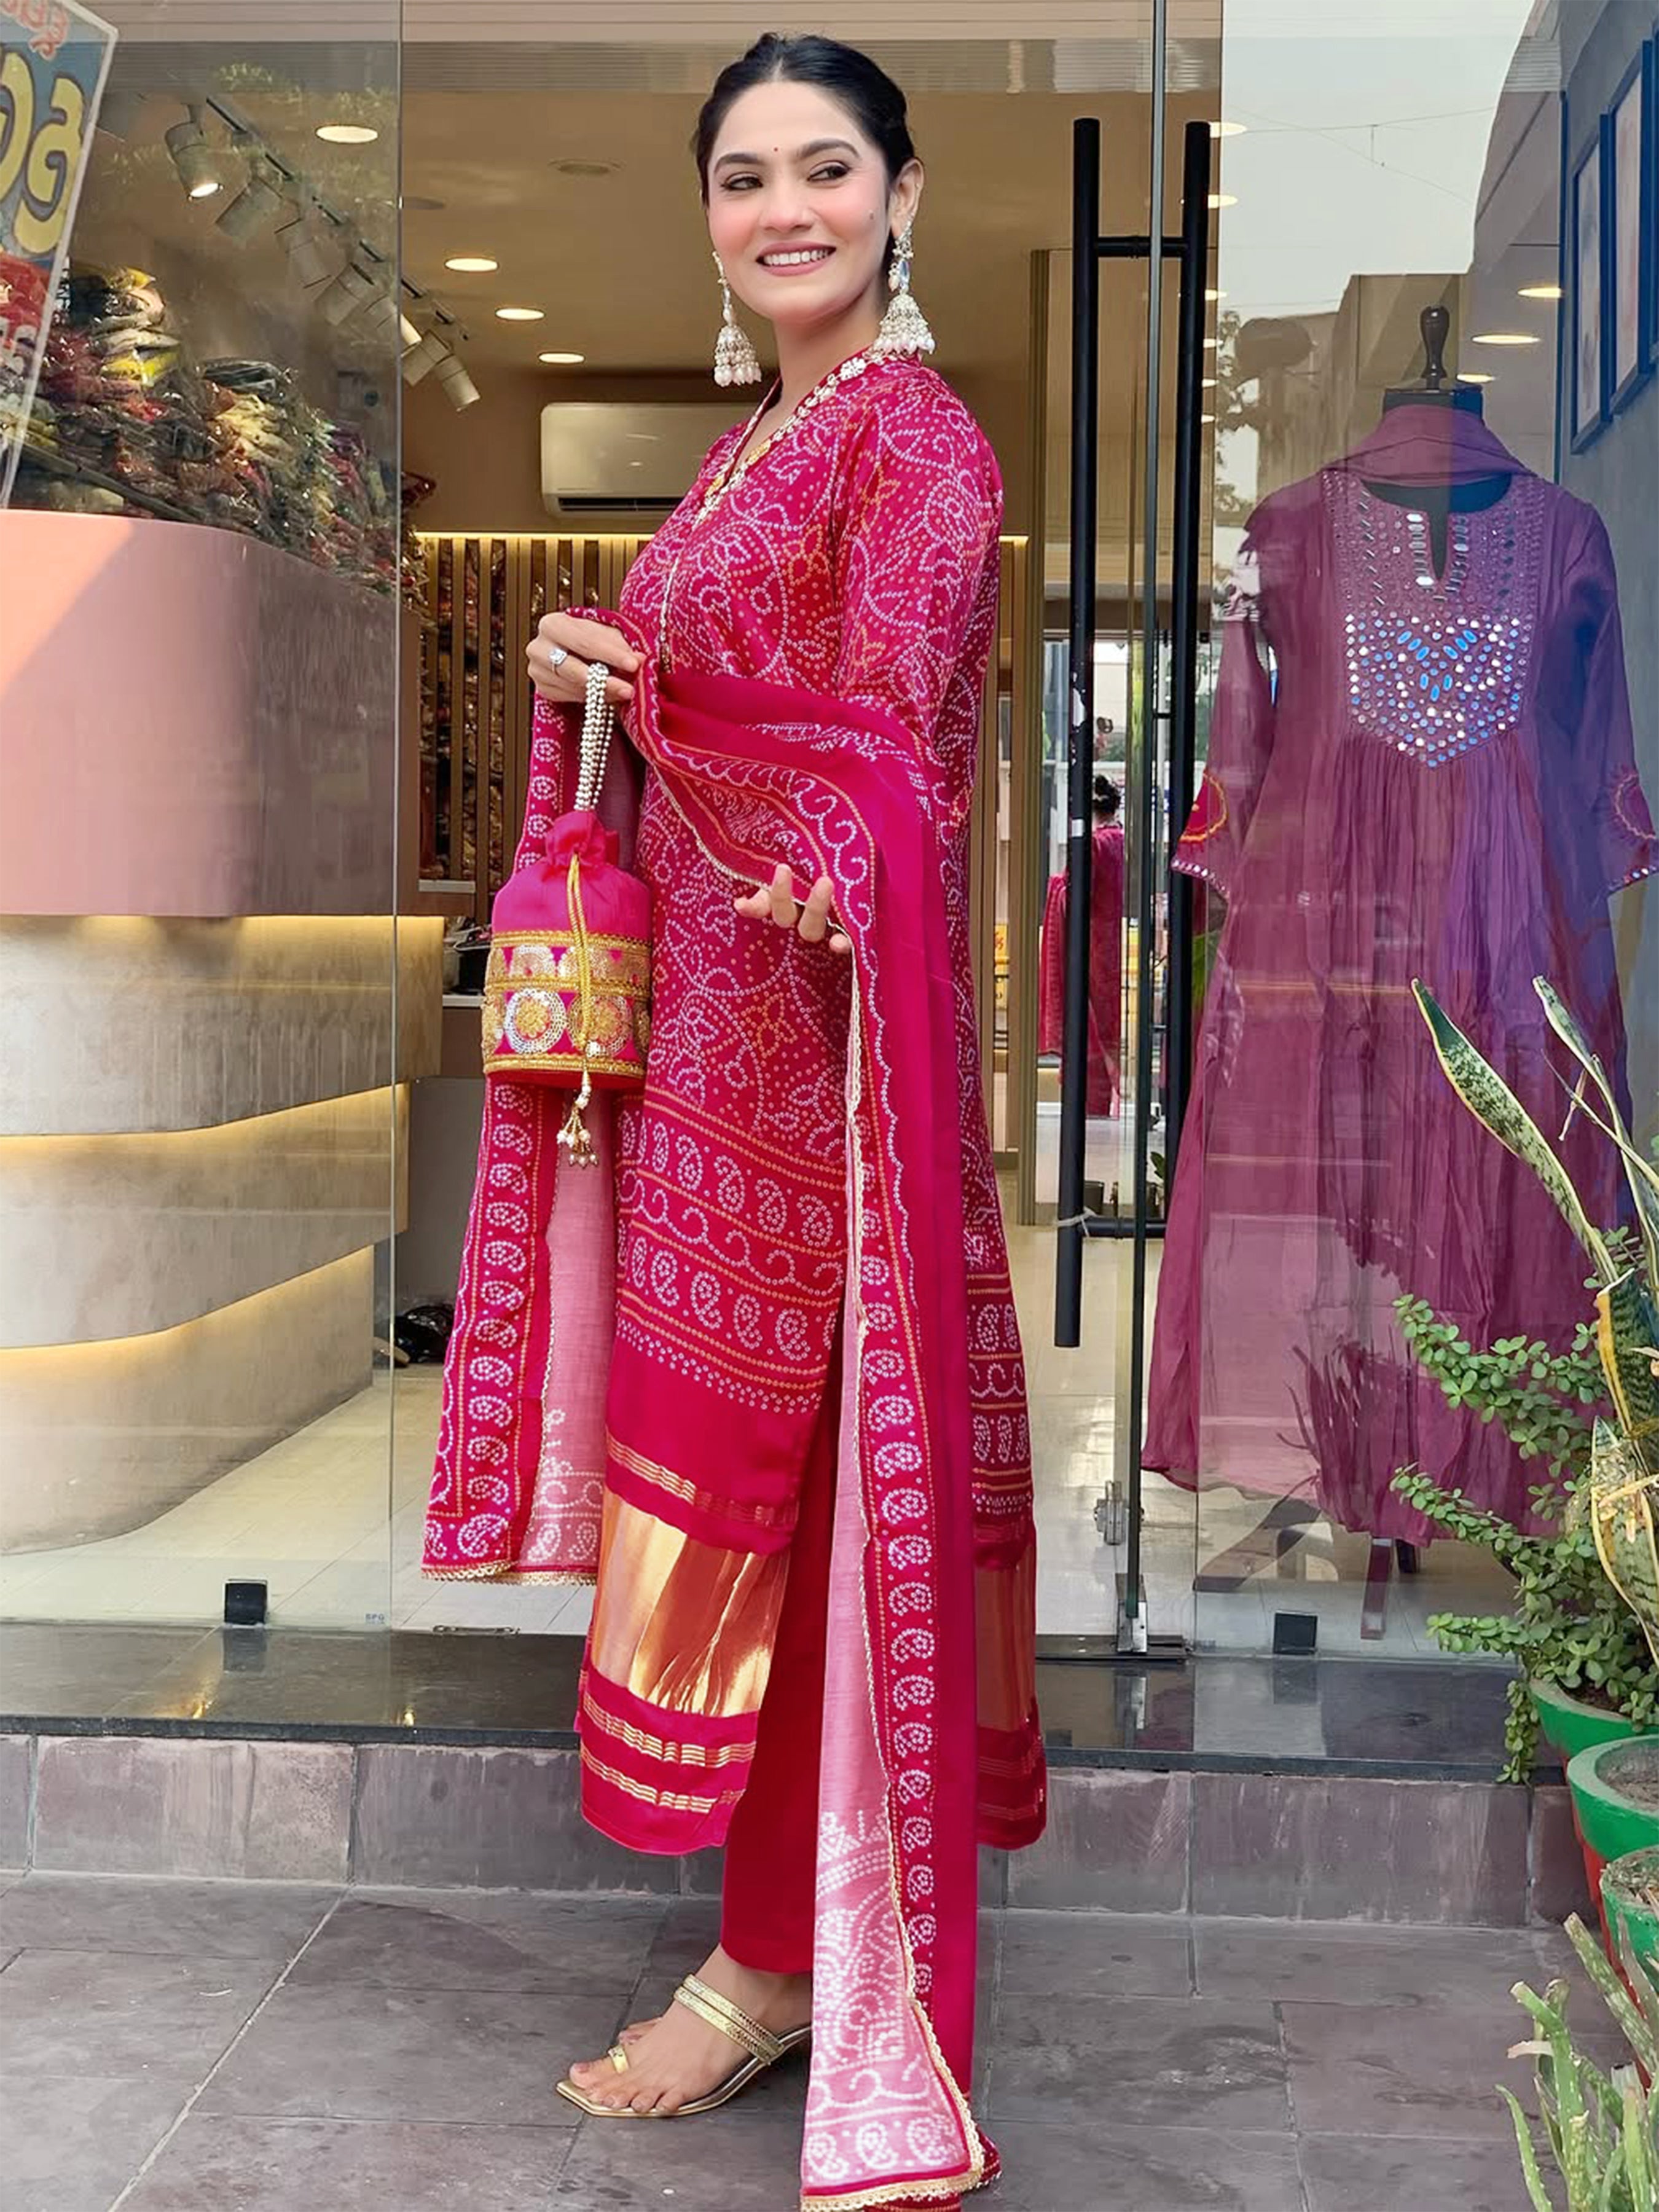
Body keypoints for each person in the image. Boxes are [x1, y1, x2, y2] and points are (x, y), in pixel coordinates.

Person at [422, 34, 1045, 2212]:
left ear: (900, 193)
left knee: (812, 1516)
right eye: (747, 176)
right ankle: (773, 1945)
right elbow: (738, 708)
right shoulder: (754, 446)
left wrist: (790, 827)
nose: (787, 208)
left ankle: (790, 1957)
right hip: (710, 1046)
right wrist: (610, 671)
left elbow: (883, 747)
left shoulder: (922, 448)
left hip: (821, 1070)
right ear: (708, 213)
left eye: (827, 170)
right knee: (756, 1508)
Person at [1038, 772, 1126, 1115]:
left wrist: (1057, 884)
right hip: (1113, 939)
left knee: (1087, 1020)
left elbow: (1076, 896)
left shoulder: (1092, 844)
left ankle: (1093, 1097)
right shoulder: (1121, 840)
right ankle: (1117, 1090)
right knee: (1110, 1021)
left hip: (1088, 942)